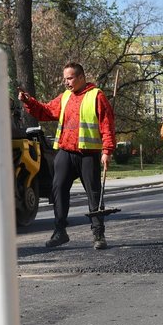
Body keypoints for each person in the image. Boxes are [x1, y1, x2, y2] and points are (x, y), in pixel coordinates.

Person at [18, 61, 115, 250]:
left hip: (88, 154)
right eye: (65, 79)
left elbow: (107, 125)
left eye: (70, 78)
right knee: (58, 189)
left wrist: (107, 151)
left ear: (81, 77)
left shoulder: (97, 96)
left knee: (94, 194)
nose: (66, 82)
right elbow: (45, 111)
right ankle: (60, 231)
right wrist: (28, 101)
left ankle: (98, 234)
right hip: (65, 151)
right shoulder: (65, 97)